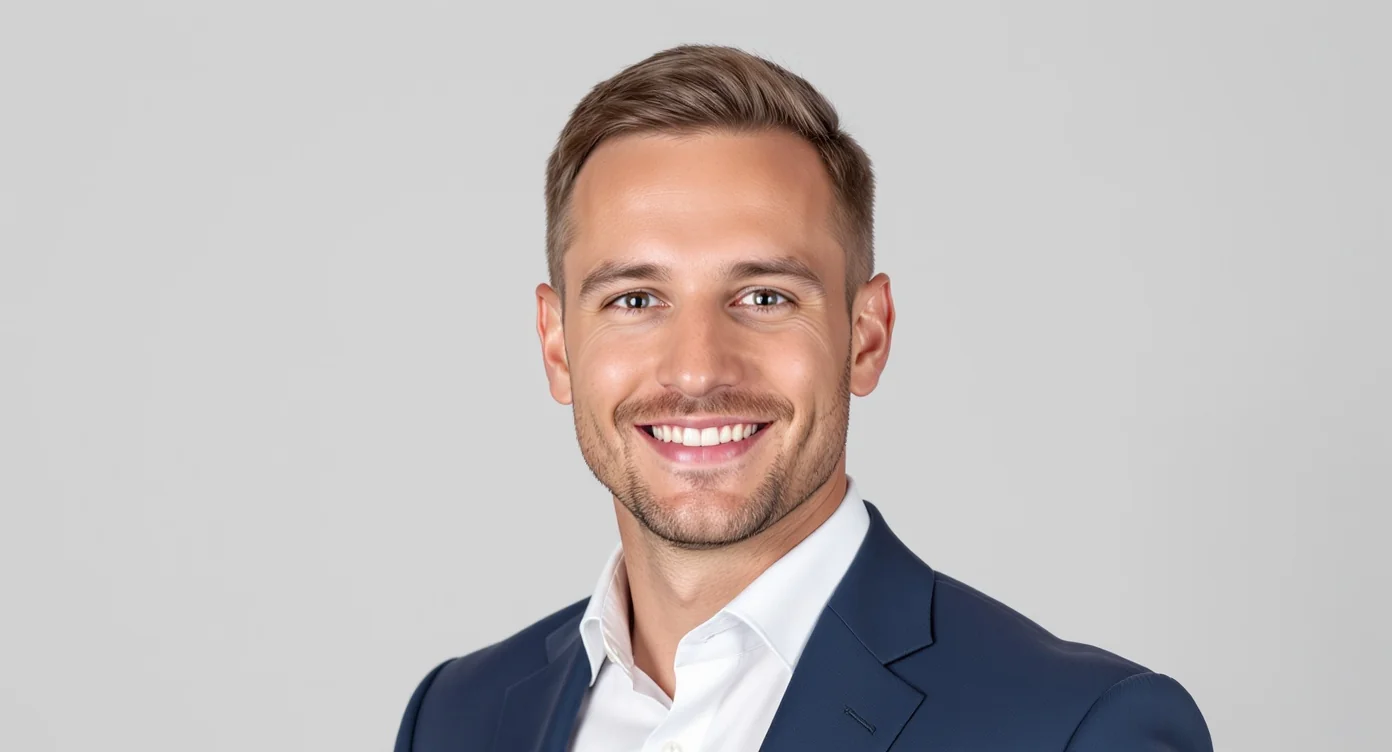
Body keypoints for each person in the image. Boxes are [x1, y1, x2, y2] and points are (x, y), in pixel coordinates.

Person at [393, 44, 1212, 752]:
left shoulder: (1076, 728)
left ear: (866, 335)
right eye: (635, 300)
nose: (697, 371)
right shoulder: (455, 718)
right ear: (556, 345)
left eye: (765, 297)